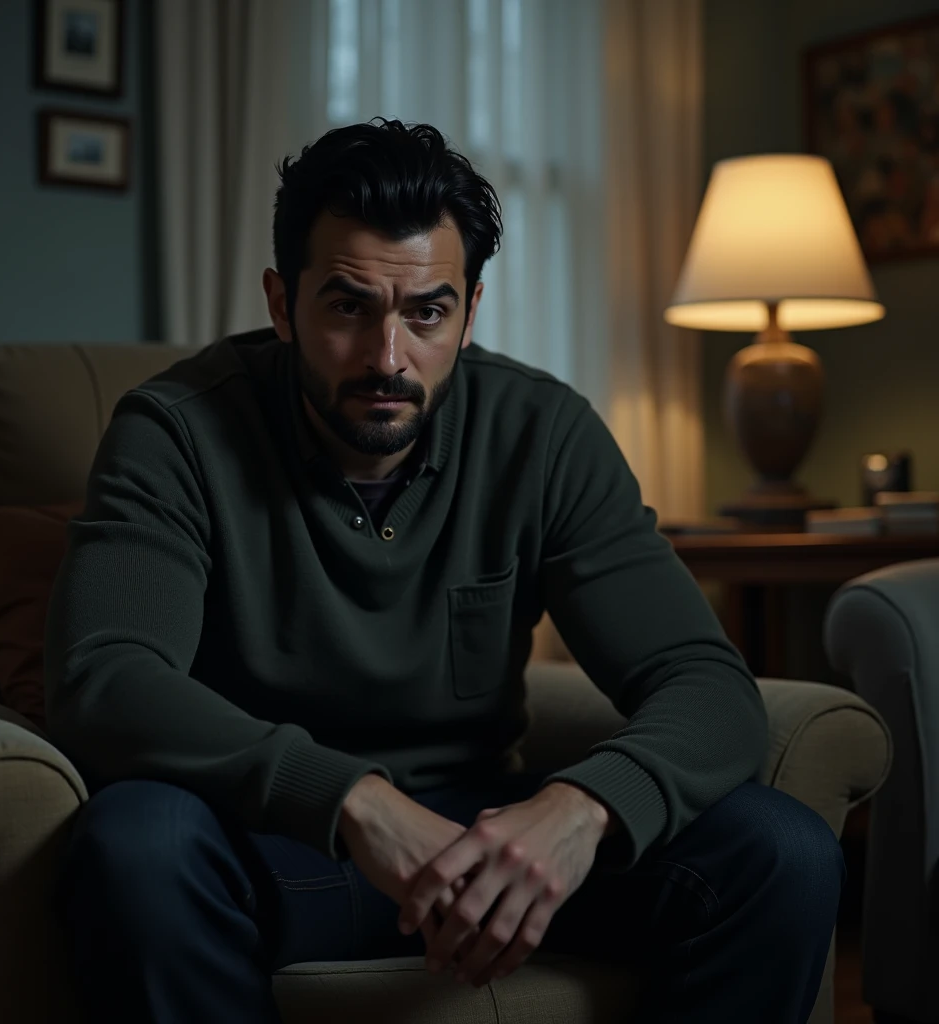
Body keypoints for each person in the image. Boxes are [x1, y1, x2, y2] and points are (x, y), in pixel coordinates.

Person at [46, 118, 844, 1024]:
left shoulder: (542, 432)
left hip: (493, 840)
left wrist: (584, 807)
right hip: (272, 846)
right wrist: (351, 797)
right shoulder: (176, 431)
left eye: (426, 311)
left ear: (468, 312)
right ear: (281, 303)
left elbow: (706, 683)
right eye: (348, 306)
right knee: (137, 843)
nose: (388, 359)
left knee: (785, 851)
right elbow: (104, 680)